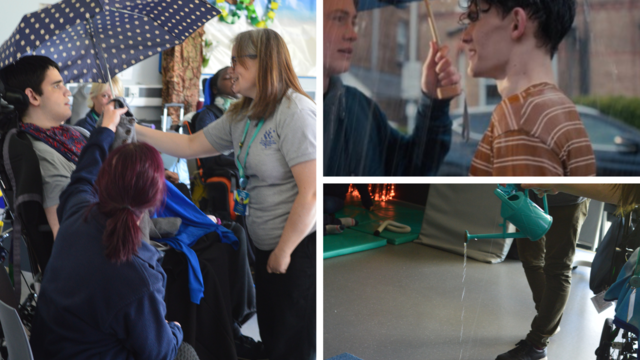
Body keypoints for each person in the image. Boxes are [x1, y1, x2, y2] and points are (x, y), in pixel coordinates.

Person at [135, 28, 316, 360]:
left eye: (237, 60)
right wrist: (133, 130)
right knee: (274, 337)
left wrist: (284, 251)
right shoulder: (243, 114)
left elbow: (311, 193)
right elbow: (189, 146)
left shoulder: (296, 112)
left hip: (296, 249)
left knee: (292, 344)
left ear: (264, 63)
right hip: (266, 244)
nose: (230, 68)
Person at [29, 101, 193, 360]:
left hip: (45, 350)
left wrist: (105, 128)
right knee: (184, 353)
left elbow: (82, 176)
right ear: (155, 199)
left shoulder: (77, 213)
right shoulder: (139, 276)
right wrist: (175, 331)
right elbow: (159, 352)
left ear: (103, 181)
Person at [323, 0, 461, 176]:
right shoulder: (298, 111)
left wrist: (433, 102)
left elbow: (412, 170)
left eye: (354, 21)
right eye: (339, 19)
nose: (353, 34)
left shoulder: (361, 108)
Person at [460, 0, 595, 176]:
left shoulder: (519, 121)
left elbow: (519, 204)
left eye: (474, 17)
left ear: (516, 23)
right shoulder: (563, 110)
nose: (465, 36)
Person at [0, 55, 79, 238]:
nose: (67, 92)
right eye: (57, 86)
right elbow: (68, 236)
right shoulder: (40, 154)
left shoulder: (78, 134)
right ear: (33, 96)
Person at [195, 66, 238, 132]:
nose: (233, 80)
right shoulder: (208, 115)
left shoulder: (248, 112)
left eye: (237, 78)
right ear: (214, 89)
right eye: (227, 77)